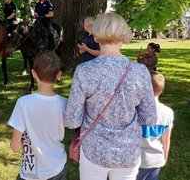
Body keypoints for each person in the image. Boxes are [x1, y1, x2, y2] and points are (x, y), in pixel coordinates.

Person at [65, 13, 157, 180]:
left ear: (96, 36)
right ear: (124, 36)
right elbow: (149, 117)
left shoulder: (85, 71)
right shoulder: (140, 71)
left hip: (93, 150)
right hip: (128, 152)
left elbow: (72, 120)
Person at [8, 51, 67, 180]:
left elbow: (14, 145)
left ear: (33, 73)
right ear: (59, 75)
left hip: (31, 172)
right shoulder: (65, 103)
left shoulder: (23, 103)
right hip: (57, 167)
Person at [136, 71, 174, 180]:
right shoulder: (168, 112)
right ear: (162, 90)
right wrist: (165, 156)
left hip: (136, 160)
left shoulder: (135, 109)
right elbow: (166, 139)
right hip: (156, 160)